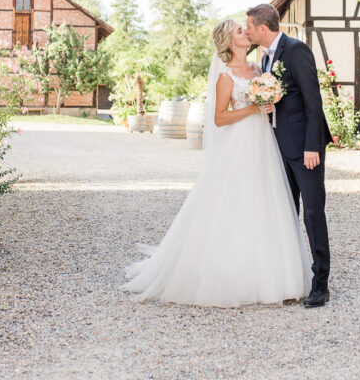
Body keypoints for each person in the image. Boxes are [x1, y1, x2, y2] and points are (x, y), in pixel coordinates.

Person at [122, 19, 311, 307]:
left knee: (265, 200)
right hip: (239, 143)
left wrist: (268, 105)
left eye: (244, 29)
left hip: (263, 141)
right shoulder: (226, 75)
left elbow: (266, 105)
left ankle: (272, 274)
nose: (245, 32)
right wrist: (253, 107)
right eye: (239, 31)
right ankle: (230, 274)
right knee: (234, 202)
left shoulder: (259, 69)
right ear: (230, 41)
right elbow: (219, 118)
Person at [246, 3, 332, 308]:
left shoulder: (296, 50)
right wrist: (270, 106)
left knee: (312, 212)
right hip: (279, 147)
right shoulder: (266, 58)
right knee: (286, 213)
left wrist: (312, 146)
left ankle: (321, 283)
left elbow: (313, 102)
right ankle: (292, 277)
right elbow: (286, 97)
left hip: (305, 149)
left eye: (250, 27)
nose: (248, 32)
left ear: (262, 28)